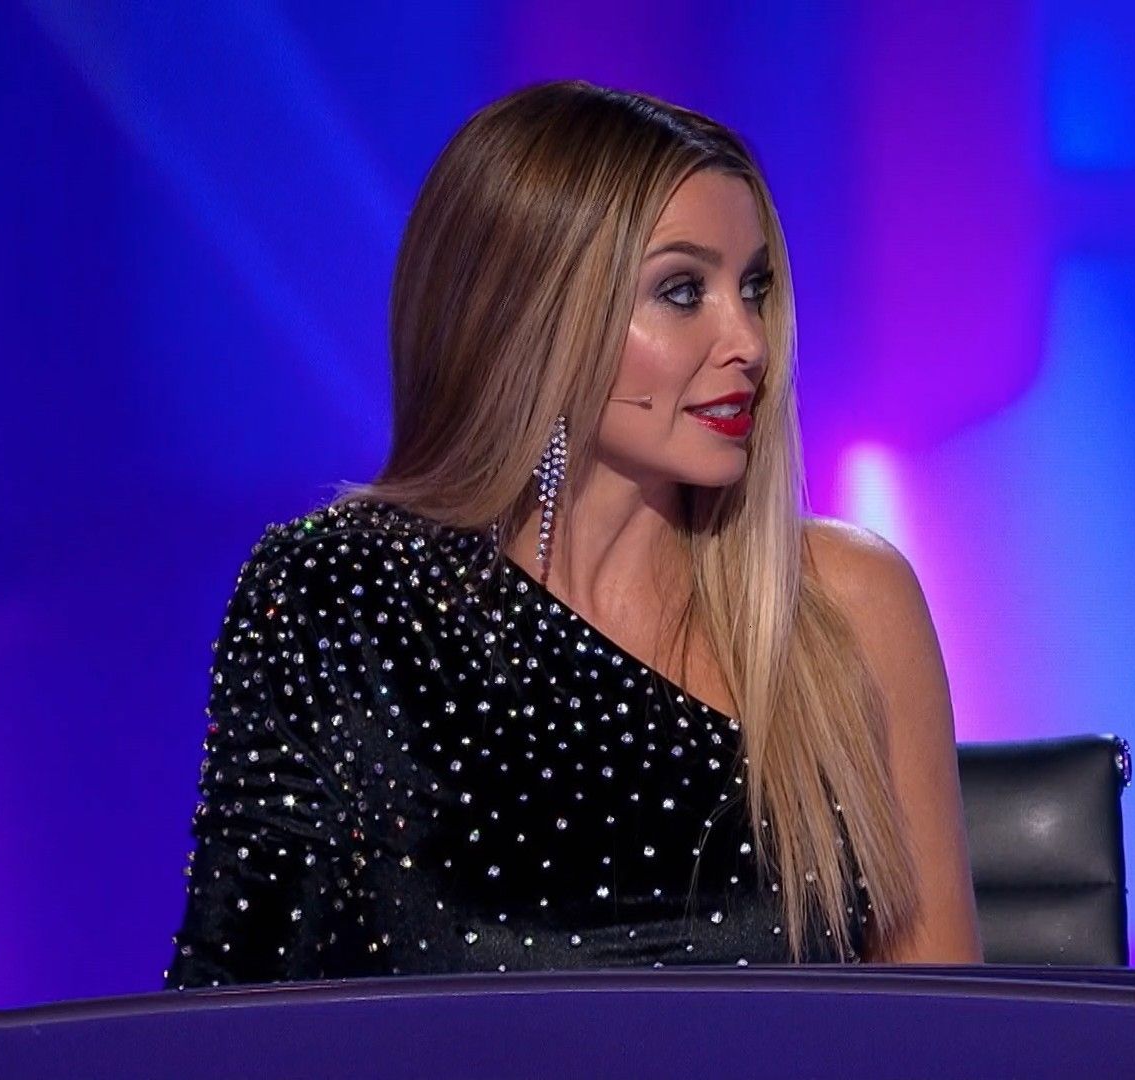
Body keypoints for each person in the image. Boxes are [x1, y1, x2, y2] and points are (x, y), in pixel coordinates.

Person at [163, 79, 984, 989]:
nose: (749, 340)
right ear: (534, 316)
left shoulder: (845, 604)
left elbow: (943, 1025)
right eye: (683, 290)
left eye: (753, 288)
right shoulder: (340, 594)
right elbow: (228, 1007)